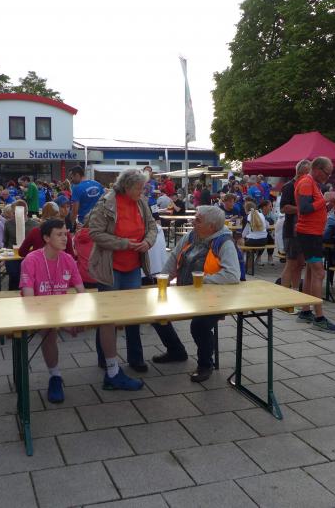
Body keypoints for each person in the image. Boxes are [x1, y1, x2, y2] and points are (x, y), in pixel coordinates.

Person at [151, 206, 241, 381]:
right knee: (155, 313)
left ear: (211, 226)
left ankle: (205, 365)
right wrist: (164, 279)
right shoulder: (191, 236)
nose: (193, 222)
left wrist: (203, 280)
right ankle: (176, 351)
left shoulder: (224, 242)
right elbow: (173, 258)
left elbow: (232, 275)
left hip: (216, 298)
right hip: (187, 293)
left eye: (198, 220)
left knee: (199, 325)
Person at [88, 168, 156, 387]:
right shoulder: (106, 203)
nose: (142, 191)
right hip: (111, 267)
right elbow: (95, 233)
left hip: (133, 266)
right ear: (126, 186)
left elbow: (152, 227)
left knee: (133, 314)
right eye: (138, 188)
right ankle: (106, 359)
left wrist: (148, 241)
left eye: (143, 187)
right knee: (108, 316)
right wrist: (124, 243)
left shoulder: (141, 202)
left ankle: (136, 358)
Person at [20, 219, 87, 403]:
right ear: (46, 238)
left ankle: (112, 369)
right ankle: (55, 376)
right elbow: (29, 301)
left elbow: (81, 293)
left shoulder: (68, 260)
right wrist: (63, 325)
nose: (65, 238)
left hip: (60, 310)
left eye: (66, 234)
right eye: (59, 234)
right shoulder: (31, 260)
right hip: (36, 311)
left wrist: (80, 318)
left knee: (108, 321)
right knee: (49, 332)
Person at [295, 156, 335, 332]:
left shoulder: (312, 183)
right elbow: (305, 209)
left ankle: (306, 311)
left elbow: (314, 208)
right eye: (327, 173)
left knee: (310, 273)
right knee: (319, 273)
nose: (328, 177)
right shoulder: (307, 183)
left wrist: (329, 204)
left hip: (312, 233)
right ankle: (319, 318)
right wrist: (325, 199)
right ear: (317, 169)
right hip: (309, 234)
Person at [279, 159, 311, 293]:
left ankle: (296, 291)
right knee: (291, 263)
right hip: (291, 231)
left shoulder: (306, 186)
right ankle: (284, 296)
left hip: (303, 231)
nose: (310, 176)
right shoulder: (289, 186)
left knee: (300, 264)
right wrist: (302, 209)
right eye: (309, 172)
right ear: (301, 172)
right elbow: (283, 208)